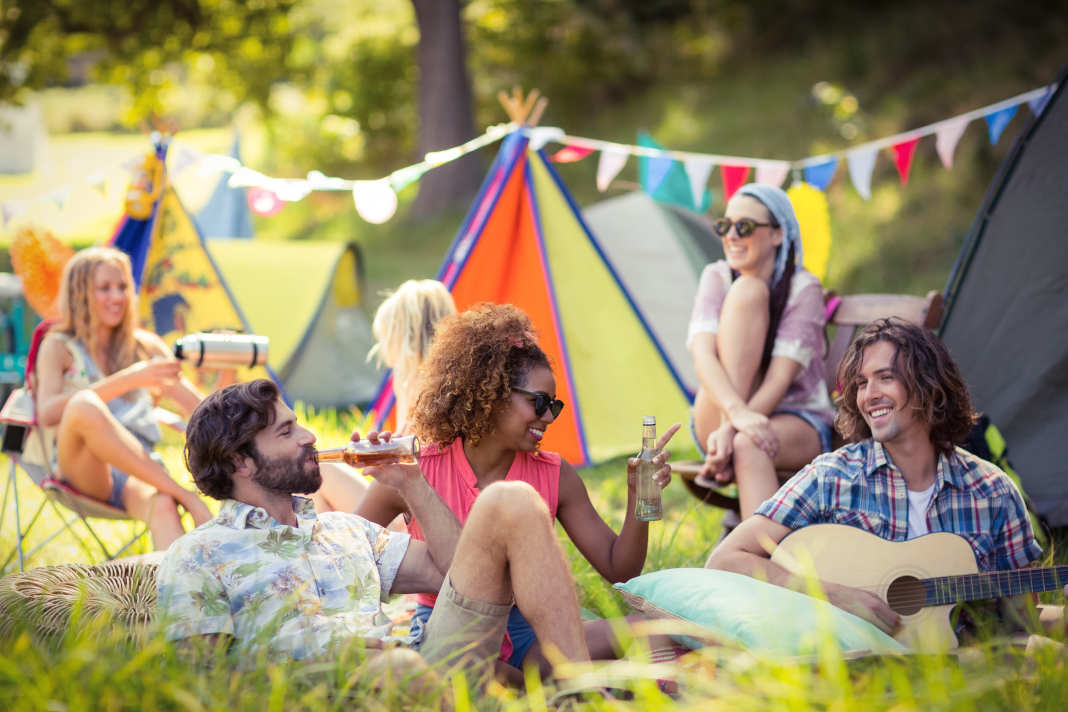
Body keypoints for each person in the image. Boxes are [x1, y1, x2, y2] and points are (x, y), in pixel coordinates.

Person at [156, 379, 590, 689]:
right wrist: (316, 661)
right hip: (324, 692)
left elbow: (461, 577)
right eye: (287, 432)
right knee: (401, 669)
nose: (309, 437)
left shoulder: (345, 530)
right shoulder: (198, 555)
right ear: (240, 463)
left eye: (299, 424)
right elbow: (201, 684)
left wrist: (411, 482)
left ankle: (580, 686)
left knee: (512, 499)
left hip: (422, 666)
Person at [356, 303, 679, 678]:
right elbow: (344, 552)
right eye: (538, 403)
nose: (548, 417)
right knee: (495, 676)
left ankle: (557, 684)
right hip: (456, 634)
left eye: (553, 406)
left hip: (532, 639)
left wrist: (640, 501)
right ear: (490, 394)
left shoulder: (555, 474)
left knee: (657, 631)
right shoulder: (416, 470)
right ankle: (564, 686)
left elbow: (619, 567)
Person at [704, 317, 1068, 635]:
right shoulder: (831, 478)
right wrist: (832, 594)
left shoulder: (992, 492)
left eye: (885, 378)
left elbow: (1020, 623)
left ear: (928, 384)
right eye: (861, 383)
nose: (869, 395)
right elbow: (724, 559)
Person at [35, 246, 211, 548]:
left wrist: (228, 382)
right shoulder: (59, 346)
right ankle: (187, 496)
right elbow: (47, 412)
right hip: (84, 467)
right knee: (83, 405)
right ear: (80, 293)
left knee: (163, 505)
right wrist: (129, 379)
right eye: (104, 288)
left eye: (123, 287)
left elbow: (198, 408)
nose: (116, 297)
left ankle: (182, 591)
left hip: (139, 468)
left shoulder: (145, 346)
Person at [689, 183, 835, 521]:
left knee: (747, 444)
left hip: (795, 418)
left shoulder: (803, 287)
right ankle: (760, 554)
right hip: (721, 414)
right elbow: (702, 357)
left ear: (778, 235)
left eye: (745, 227)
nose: (732, 236)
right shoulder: (717, 275)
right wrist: (736, 415)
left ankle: (762, 558)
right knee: (748, 291)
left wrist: (732, 430)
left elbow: (780, 379)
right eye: (725, 226)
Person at [311, 280, 455, 514]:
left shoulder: (419, 387)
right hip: (422, 505)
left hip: (413, 513)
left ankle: (332, 548)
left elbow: (409, 462)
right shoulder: (454, 382)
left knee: (318, 474)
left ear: (401, 339)